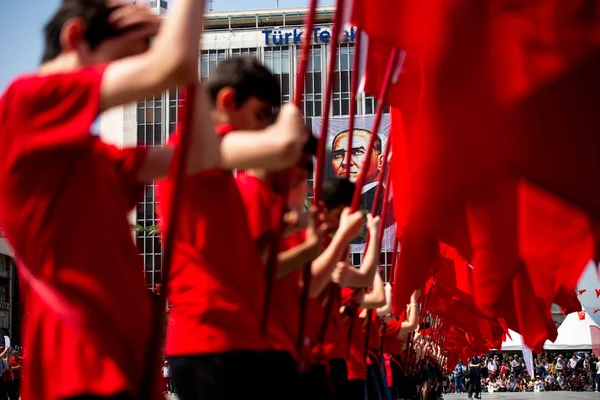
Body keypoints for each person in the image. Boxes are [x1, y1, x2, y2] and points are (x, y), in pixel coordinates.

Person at [0, 0, 224, 398]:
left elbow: (198, 157)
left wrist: (188, 73)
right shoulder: (26, 99)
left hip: (126, 364)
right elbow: (169, 65)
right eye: (126, 60)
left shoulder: (96, 156)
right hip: (81, 366)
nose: (135, 78)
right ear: (76, 38)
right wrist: (176, 55)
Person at [159, 56, 306, 400]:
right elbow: (283, 146)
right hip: (210, 341)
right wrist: (290, 113)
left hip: (231, 339)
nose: (264, 128)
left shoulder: (221, 174)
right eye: (261, 115)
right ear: (228, 101)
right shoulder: (197, 143)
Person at [330, 129, 383, 211]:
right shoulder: (333, 202)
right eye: (338, 155)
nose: (345, 162)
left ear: (380, 161)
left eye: (357, 152)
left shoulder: (385, 203)